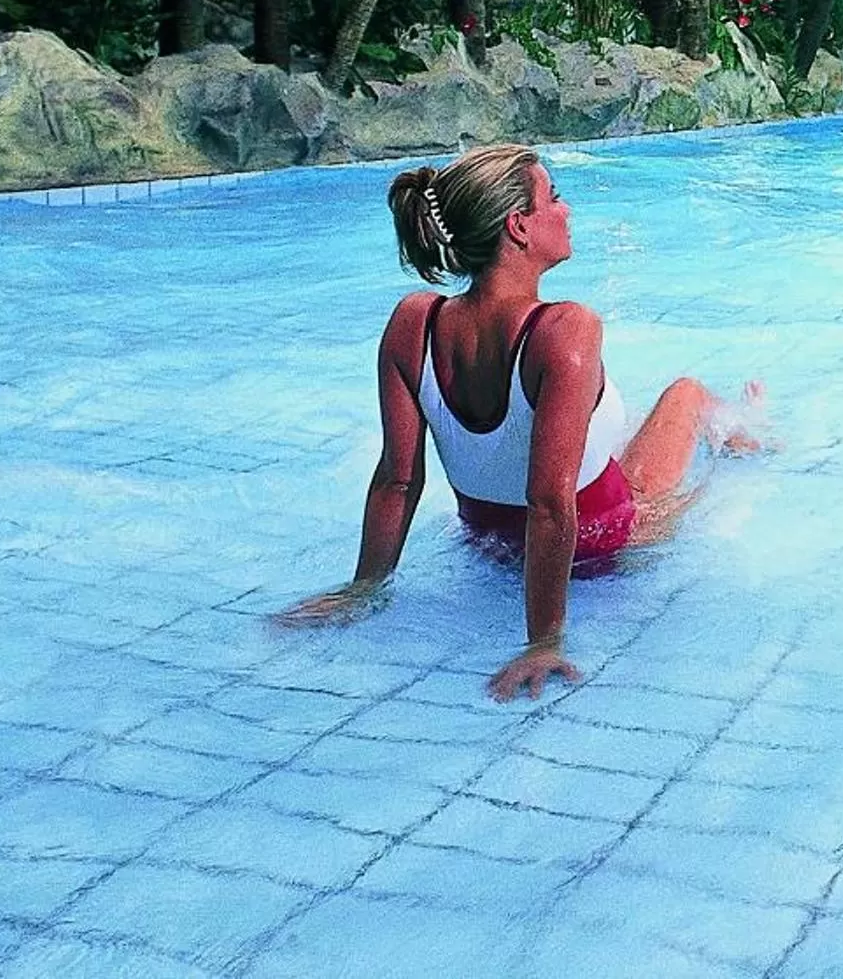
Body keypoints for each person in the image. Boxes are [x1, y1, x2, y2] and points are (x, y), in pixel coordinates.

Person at [277, 144, 741, 700]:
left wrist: (365, 588)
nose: (566, 210)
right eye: (554, 198)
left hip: (489, 545)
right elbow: (549, 503)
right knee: (686, 394)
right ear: (519, 226)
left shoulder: (413, 323)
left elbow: (398, 479)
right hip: (606, 548)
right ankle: (745, 427)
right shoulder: (565, 330)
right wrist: (544, 641)